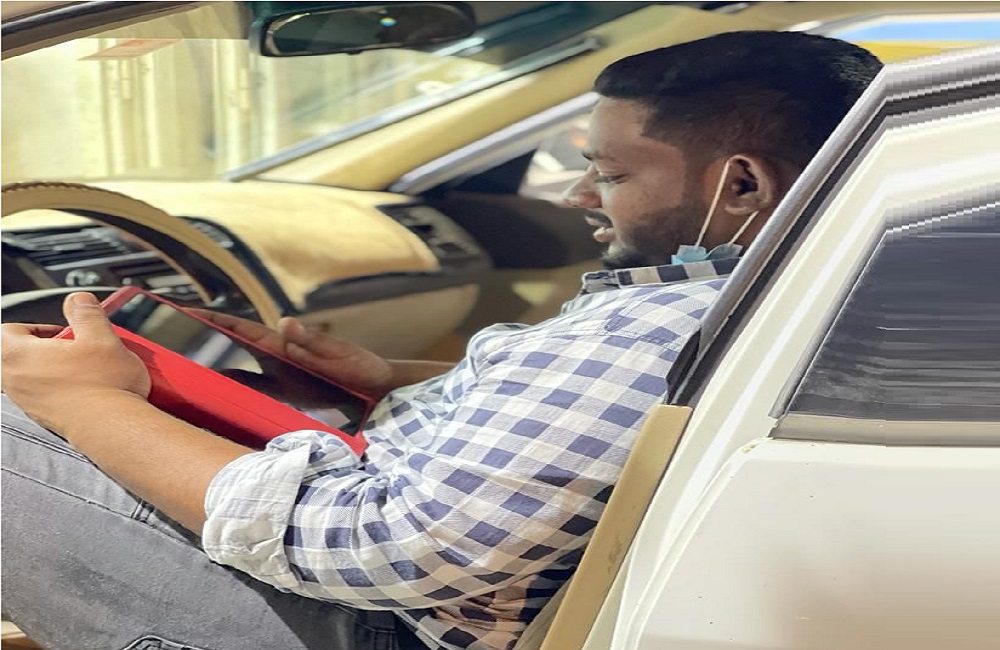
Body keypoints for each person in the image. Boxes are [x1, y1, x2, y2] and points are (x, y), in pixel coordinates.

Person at [1, 31, 881, 650]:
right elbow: (579, 427)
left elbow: (385, 545)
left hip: (369, 622)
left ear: (741, 187)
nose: (579, 197)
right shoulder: (783, 292)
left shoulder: (662, 326)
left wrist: (87, 402)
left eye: (609, 173)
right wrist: (390, 383)